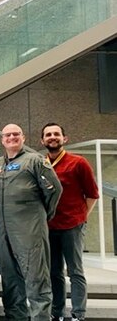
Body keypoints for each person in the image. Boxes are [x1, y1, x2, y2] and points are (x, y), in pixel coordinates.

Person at [0, 124, 62, 321]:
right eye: (7, 135)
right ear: (2, 140)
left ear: (23, 137)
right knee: (10, 278)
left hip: (29, 228)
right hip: (3, 231)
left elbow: (54, 190)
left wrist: (43, 214)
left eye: (16, 134)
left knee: (36, 278)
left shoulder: (35, 161)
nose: (12, 137)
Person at [41, 123, 100, 321]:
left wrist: (81, 217)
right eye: (48, 135)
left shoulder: (78, 162)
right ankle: (57, 313)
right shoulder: (40, 164)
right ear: (42, 141)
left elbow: (92, 194)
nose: (52, 137)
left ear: (64, 138)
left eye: (56, 134)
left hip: (72, 227)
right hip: (49, 226)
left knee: (75, 271)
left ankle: (78, 315)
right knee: (54, 272)